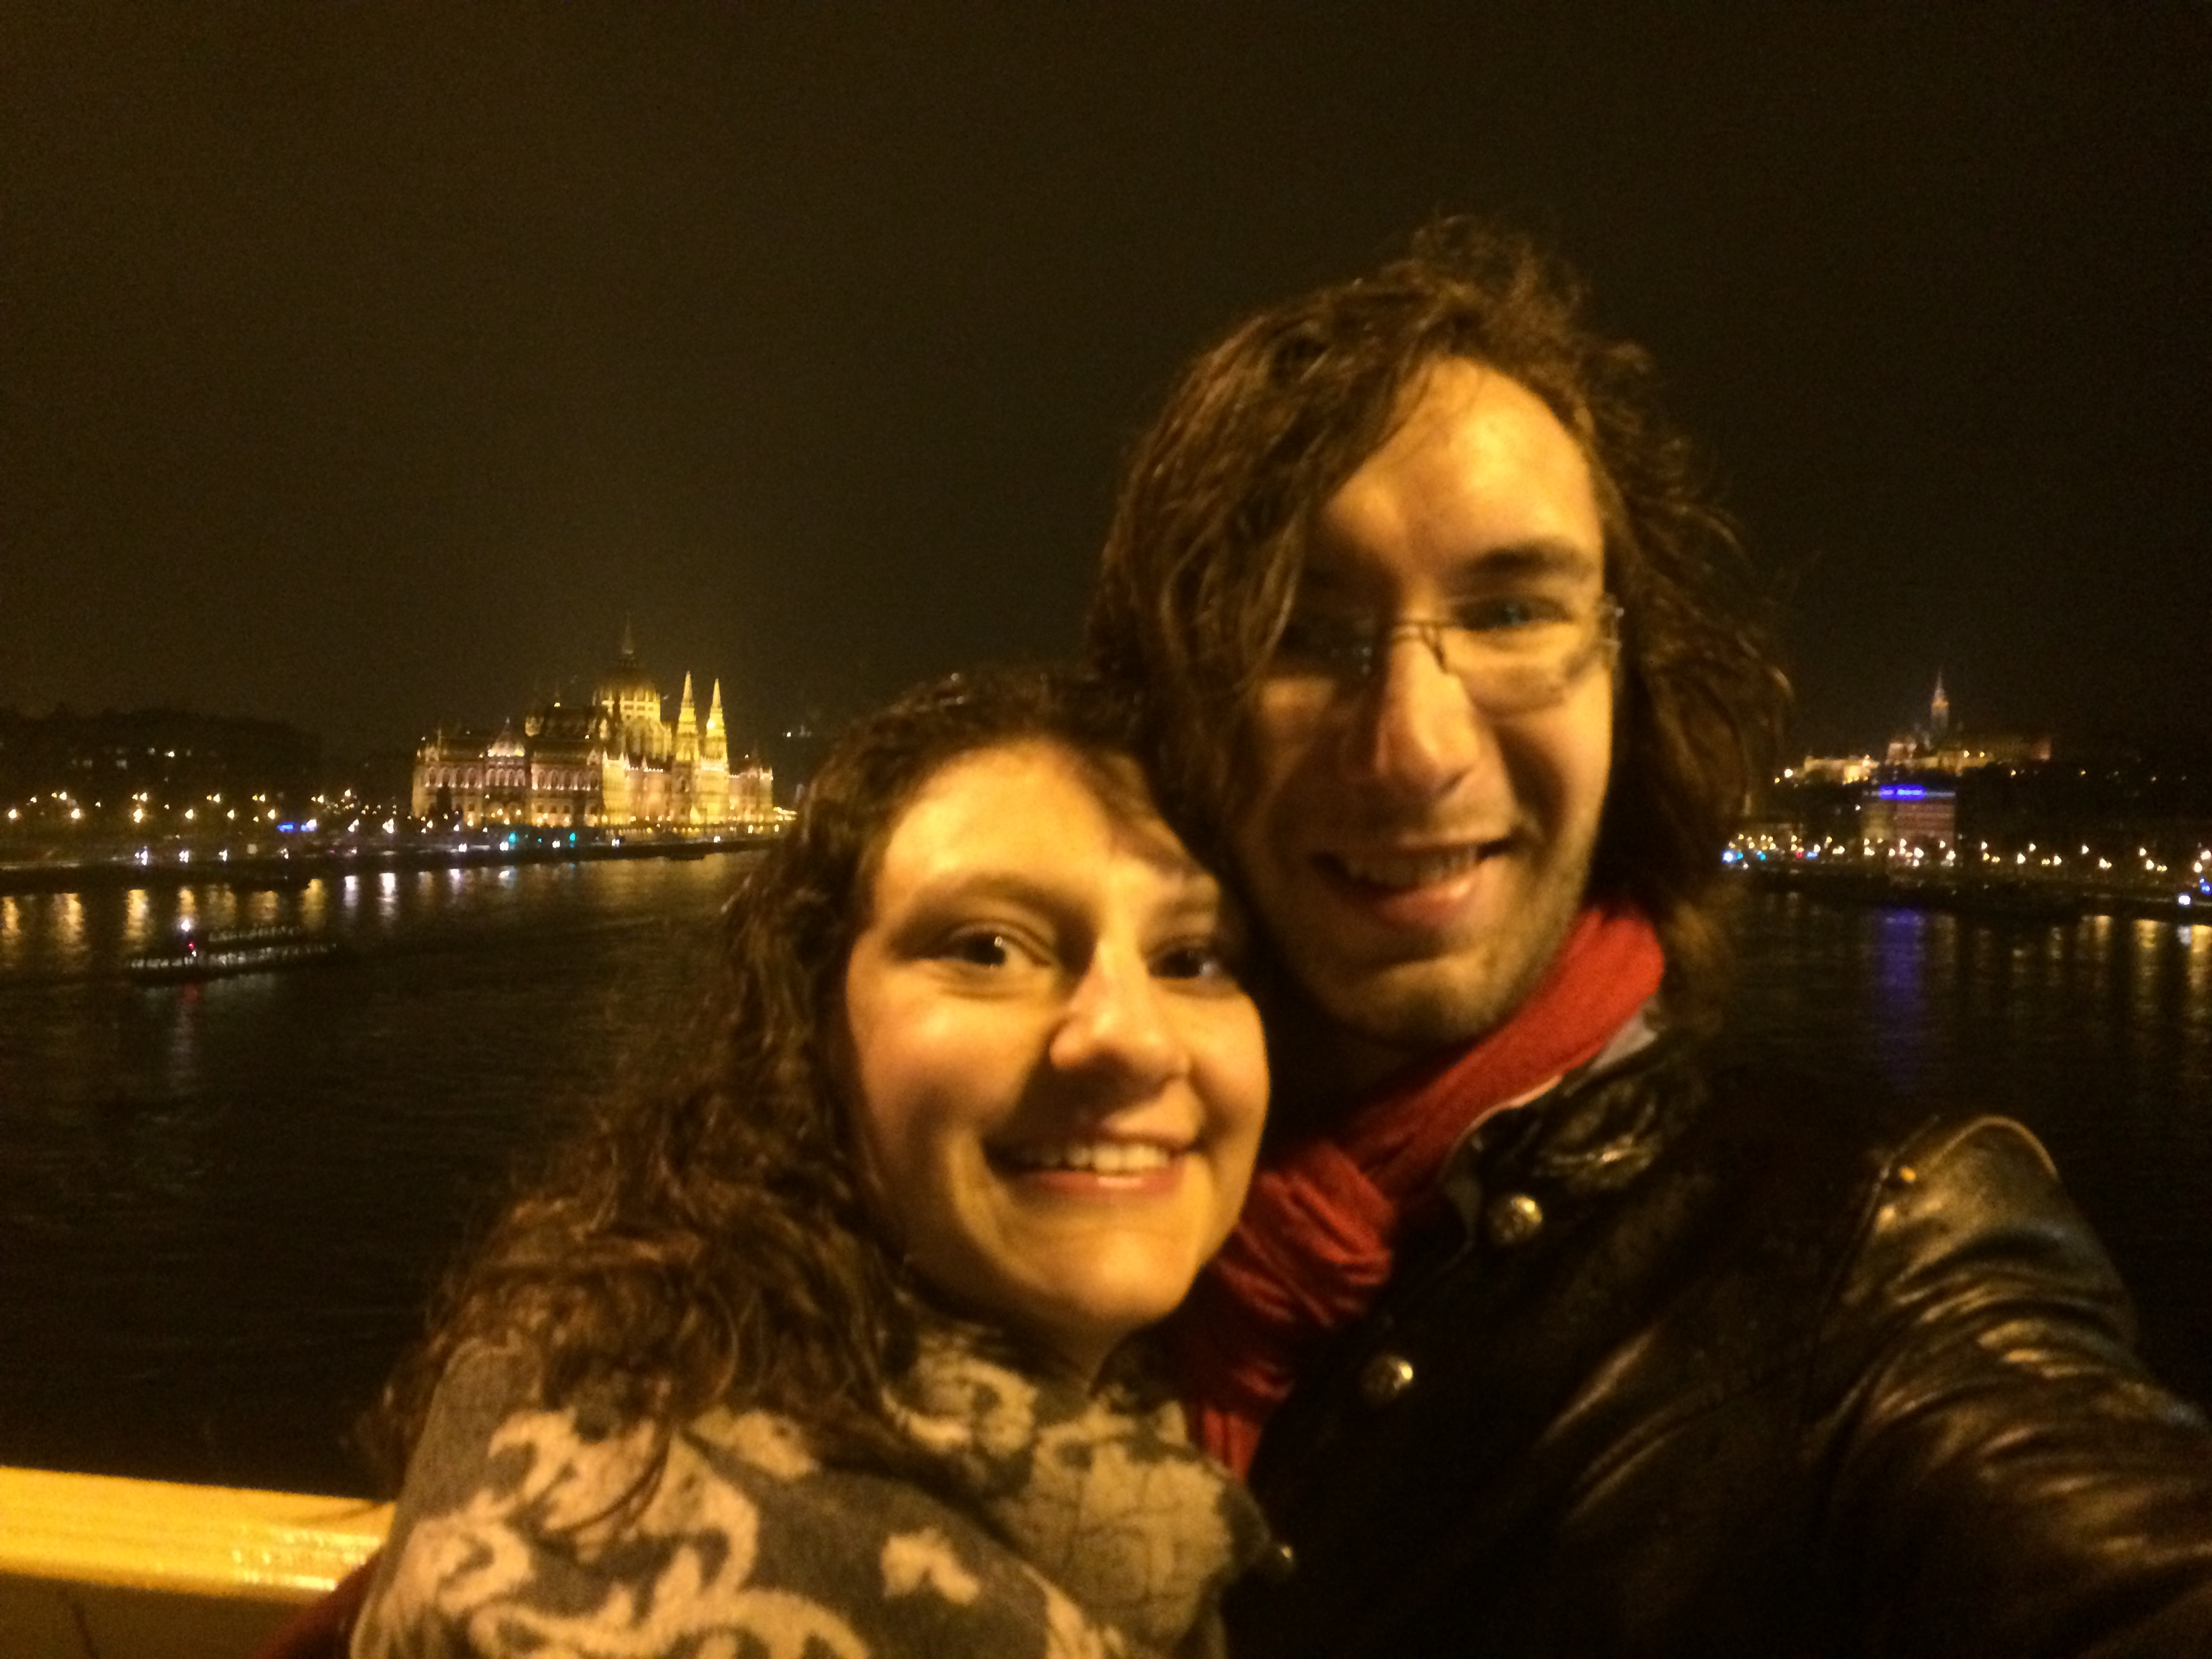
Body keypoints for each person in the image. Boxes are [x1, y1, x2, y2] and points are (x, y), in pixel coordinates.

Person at [1086, 218, 2212, 1656]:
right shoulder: (1031, 1210)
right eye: (1302, 631)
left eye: (1511, 611)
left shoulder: (1875, 1269)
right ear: (1173, 711)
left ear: (1630, 679)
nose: (1416, 747)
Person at [345, 667, 1271, 1658]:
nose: (1131, 1036)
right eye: (986, 948)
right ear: (807, 1024)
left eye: (1190, 958)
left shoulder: (1146, 1430)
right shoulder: (585, 1583)